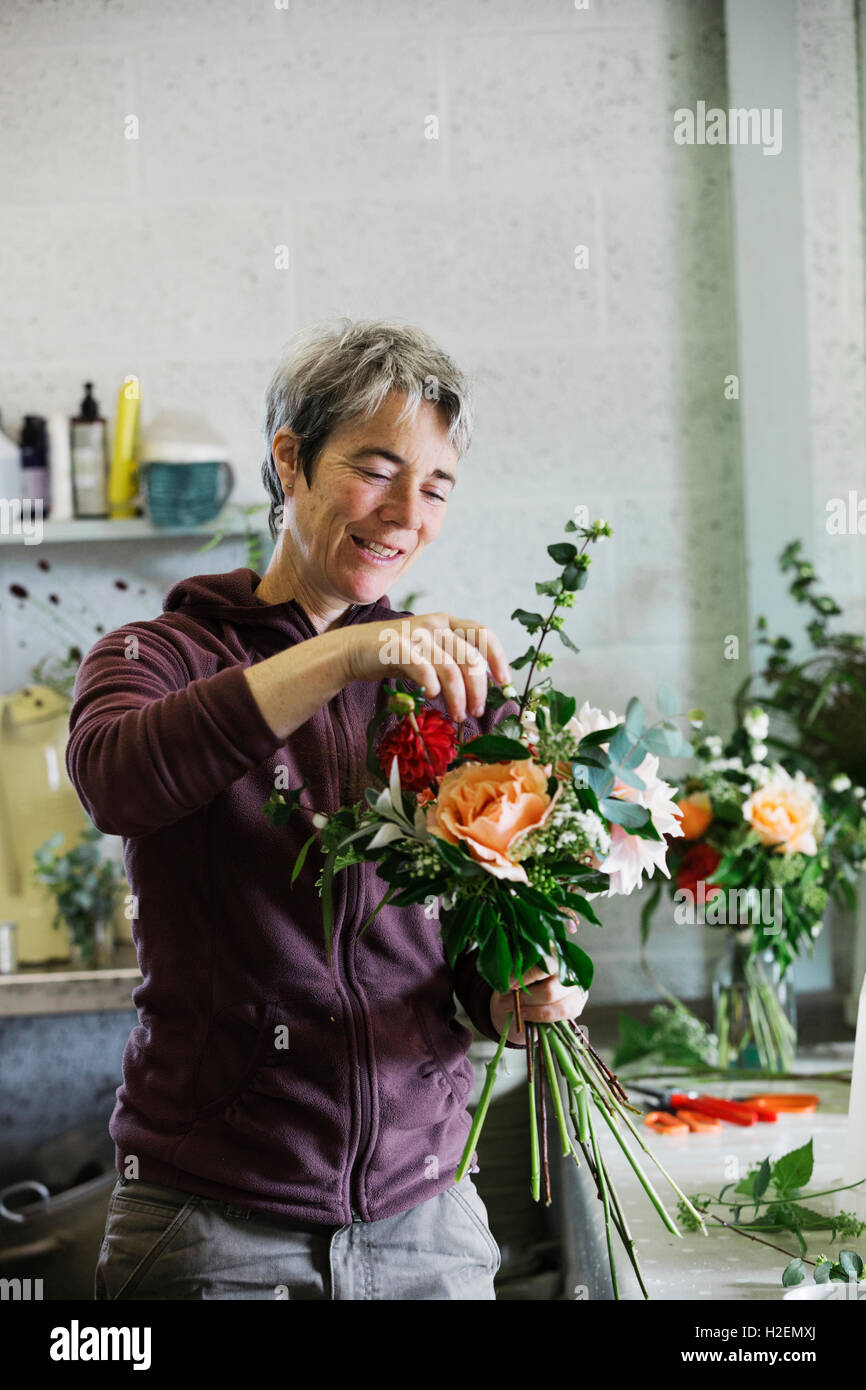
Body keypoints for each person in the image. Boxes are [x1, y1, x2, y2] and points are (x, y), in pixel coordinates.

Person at [67, 319, 587, 1301]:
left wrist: (512, 998)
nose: (403, 513)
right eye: (375, 468)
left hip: (424, 1224)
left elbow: (475, 946)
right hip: (213, 1227)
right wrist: (343, 649)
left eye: (433, 487)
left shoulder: (452, 686)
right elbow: (116, 780)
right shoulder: (160, 656)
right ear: (290, 459)